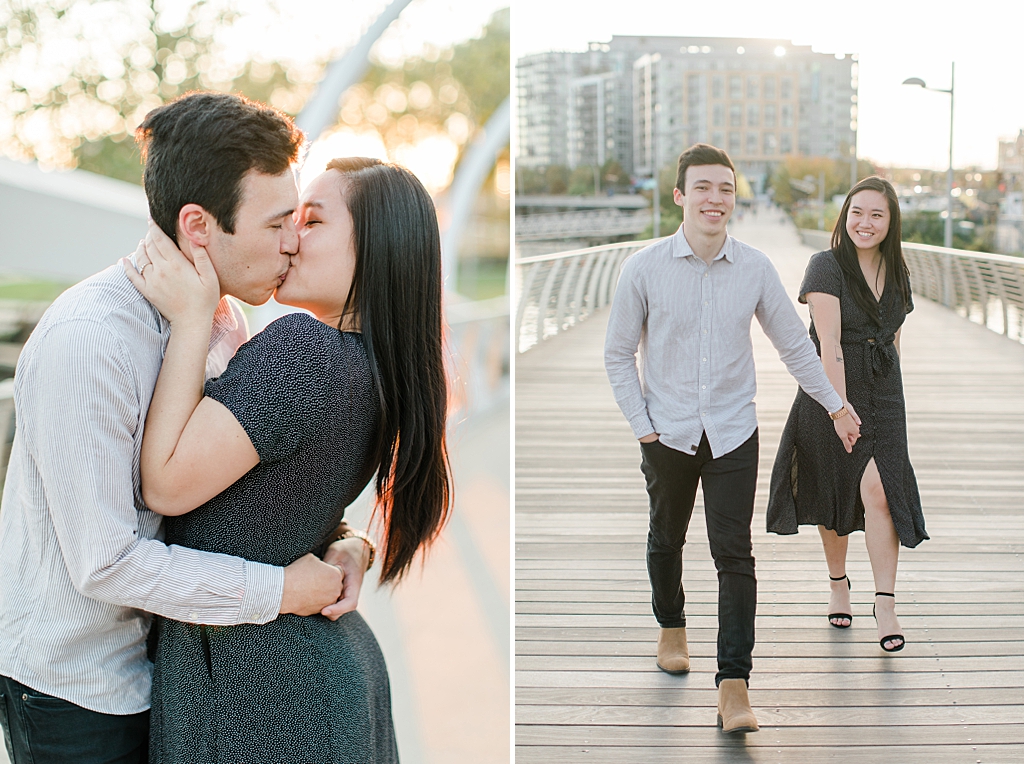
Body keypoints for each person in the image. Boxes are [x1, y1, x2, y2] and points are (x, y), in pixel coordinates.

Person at [0, 92, 369, 764]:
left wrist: (346, 541)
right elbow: (106, 561)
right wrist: (281, 590)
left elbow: (240, 482)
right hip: (79, 694)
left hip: (175, 677)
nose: (293, 243)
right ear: (199, 226)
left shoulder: (225, 320)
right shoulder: (90, 342)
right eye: (277, 223)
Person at [124, 154, 451, 763]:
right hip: (309, 677)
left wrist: (193, 317)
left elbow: (165, 485)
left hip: (260, 694)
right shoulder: (376, 366)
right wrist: (352, 541)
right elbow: (293, 496)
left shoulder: (306, 352)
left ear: (374, 251)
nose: (291, 240)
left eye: (313, 222)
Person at [604, 143, 861, 734]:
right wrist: (643, 427)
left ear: (733, 197)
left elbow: (795, 347)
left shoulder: (755, 268)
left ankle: (733, 684)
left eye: (725, 188)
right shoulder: (642, 268)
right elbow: (618, 355)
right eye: (703, 188)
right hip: (664, 432)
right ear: (680, 195)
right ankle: (671, 624)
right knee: (665, 539)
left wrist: (837, 406)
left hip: (732, 432)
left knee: (733, 554)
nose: (715, 199)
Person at [766, 176, 927, 653]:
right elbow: (829, 345)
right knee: (833, 493)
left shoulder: (899, 272)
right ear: (845, 216)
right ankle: (839, 582)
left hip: (885, 395)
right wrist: (839, 410)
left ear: (890, 222)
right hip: (830, 393)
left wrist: (891, 396)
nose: (865, 222)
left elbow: (894, 338)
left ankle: (885, 602)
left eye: (877, 214)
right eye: (857, 212)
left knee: (881, 491)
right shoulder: (826, 267)